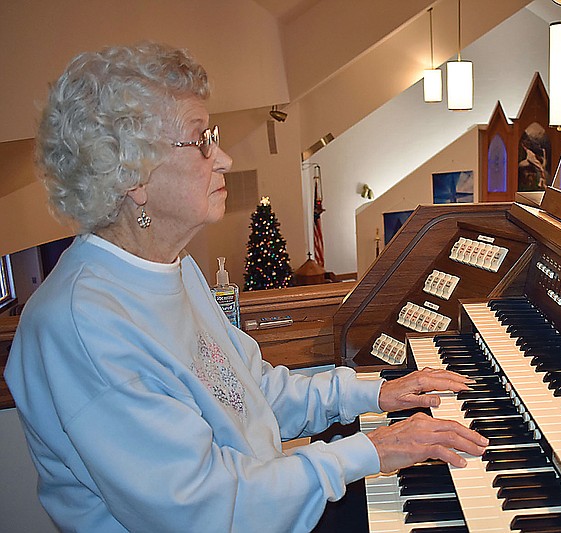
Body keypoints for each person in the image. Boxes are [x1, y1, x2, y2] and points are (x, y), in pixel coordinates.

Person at [4, 42, 488, 533]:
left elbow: (252, 394)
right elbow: (205, 510)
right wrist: (370, 450)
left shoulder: (173, 266)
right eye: (201, 141)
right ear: (132, 175)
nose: (226, 159)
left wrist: (377, 394)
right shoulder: (80, 326)